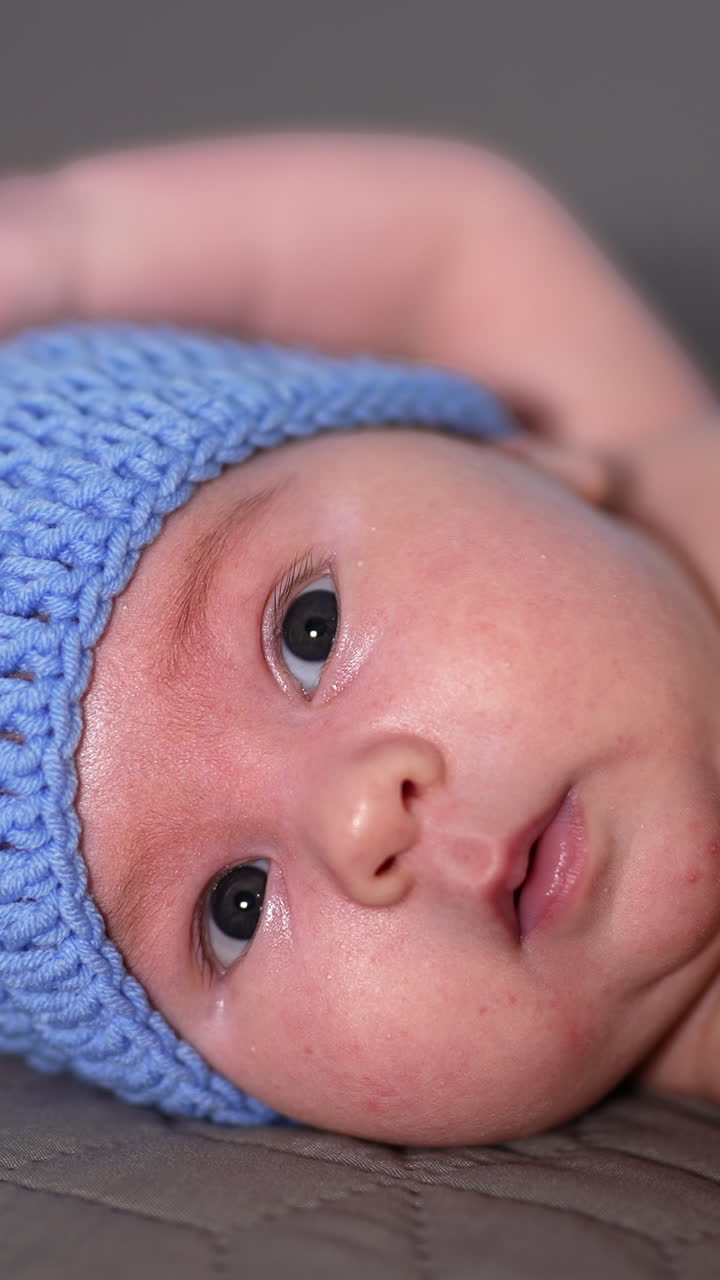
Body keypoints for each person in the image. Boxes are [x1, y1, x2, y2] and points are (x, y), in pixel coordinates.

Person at [1, 133, 720, 1146]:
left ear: (517, 458)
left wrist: (71, 247)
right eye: (235, 909)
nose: (357, 819)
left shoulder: (639, 452)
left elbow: (445, 240)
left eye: (311, 630)